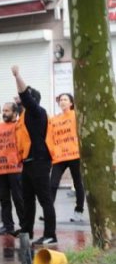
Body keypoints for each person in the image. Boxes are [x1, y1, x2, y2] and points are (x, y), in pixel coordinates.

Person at [11, 66, 57, 245]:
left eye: (25, 96)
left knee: (45, 199)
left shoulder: (38, 112)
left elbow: (25, 95)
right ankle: (26, 230)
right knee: (27, 199)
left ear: (32, 99)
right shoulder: (24, 117)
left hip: (40, 161)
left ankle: (50, 234)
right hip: (28, 162)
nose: (20, 98)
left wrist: (17, 76)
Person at [0, 102, 24, 236]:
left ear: (15, 113)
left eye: (7, 111)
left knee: (18, 198)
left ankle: (24, 226)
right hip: (0, 167)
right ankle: (7, 225)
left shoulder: (19, 125)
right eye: (3, 111)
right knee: (4, 199)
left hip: (15, 167)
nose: (4, 113)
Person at [49, 93, 85, 222]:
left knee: (78, 183)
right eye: (61, 100)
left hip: (74, 154)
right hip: (59, 156)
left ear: (71, 103)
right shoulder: (54, 119)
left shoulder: (76, 115)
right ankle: (49, 212)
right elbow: (49, 137)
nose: (63, 101)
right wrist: (52, 152)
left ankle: (79, 211)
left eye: (65, 99)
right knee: (52, 184)